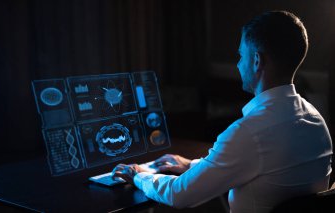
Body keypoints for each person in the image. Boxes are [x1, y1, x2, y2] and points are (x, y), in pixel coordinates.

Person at [112, 10, 333, 213]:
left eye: (240, 56)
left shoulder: (250, 133)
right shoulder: (315, 120)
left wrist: (139, 176)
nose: (238, 64)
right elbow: (259, 164)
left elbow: (180, 194)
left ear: (257, 61)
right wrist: (190, 164)